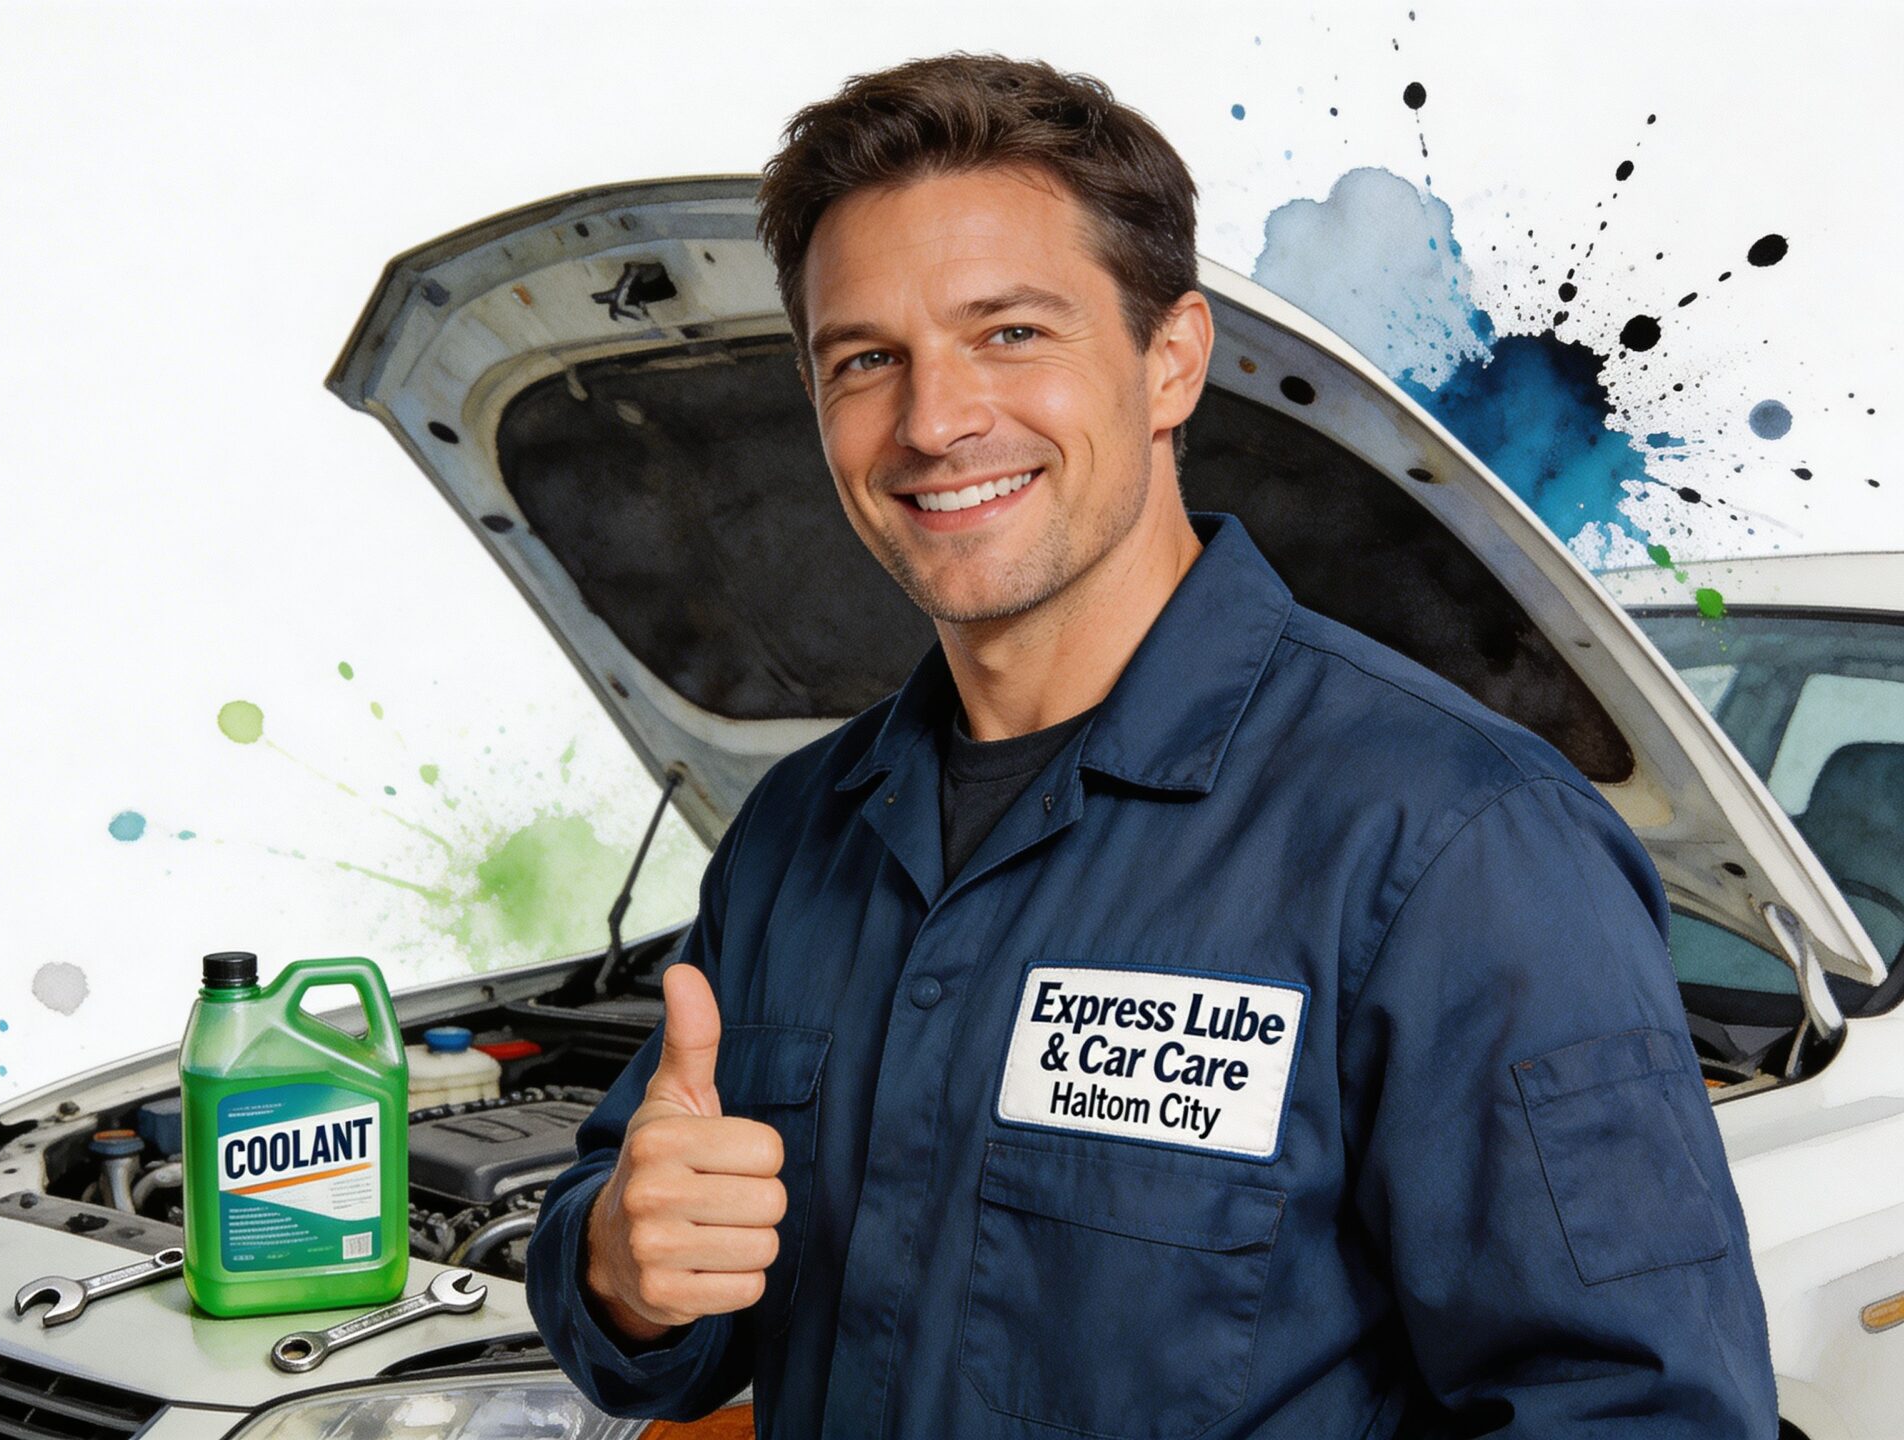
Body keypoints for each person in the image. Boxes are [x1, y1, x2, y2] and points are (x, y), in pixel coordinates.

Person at [523, 51, 1778, 1439]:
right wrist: (621, 1268)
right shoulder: (794, 837)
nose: (934, 422)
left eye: (1012, 333)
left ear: (1172, 359)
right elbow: (637, 1268)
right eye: (866, 360)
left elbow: (1636, 1415)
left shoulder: (1457, 846)